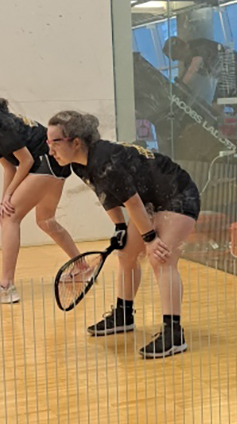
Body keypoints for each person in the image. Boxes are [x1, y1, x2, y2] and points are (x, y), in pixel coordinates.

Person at [46, 110, 200, 358]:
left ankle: (174, 334)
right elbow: (106, 195)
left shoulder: (106, 162)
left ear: (76, 143)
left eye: (54, 143)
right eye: (48, 142)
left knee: (161, 258)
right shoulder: (79, 165)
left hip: (178, 194)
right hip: (150, 199)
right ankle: (123, 315)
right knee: (125, 254)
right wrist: (119, 227)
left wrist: (150, 239)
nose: (50, 150)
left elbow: (133, 204)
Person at [0, 84, 83, 304]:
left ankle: (6, 286)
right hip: (53, 166)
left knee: (10, 217)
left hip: (46, 162)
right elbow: (9, 167)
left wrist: (8, 200)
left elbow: (26, 160)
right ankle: (82, 268)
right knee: (45, 221)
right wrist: (4, 199)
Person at [162, 36, 237, 109]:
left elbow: (193, 68)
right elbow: (184, 77)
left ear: (185, 47)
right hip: (228, 76)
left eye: (180, 56)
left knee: (219, 104)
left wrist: (177, 91)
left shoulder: (199, 46)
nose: (181, 60)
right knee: (228, 104)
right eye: (178, 59)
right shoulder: (187, 60)